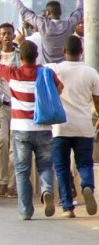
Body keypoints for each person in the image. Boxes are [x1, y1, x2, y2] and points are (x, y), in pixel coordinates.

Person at [0, 32, 58, 220]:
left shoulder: (13, 73)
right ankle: (46, 190)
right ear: (36, 56)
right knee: (44, 165)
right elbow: (59, 89)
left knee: (21, 170)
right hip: (43, 128)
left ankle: (26, 211)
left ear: (21, 57)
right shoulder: (46, 73)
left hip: (21, 129)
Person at [44, 36, 98, 218]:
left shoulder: (54, 69)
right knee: (84, 163)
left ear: (64, 52)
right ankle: (88, 186)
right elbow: (97, 101)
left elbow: (40, 74)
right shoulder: (91, 73)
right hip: (83, 126)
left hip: (60, 127)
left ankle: (67, 207)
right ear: (81, 51)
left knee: (61, 167)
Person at [5, 0, 83, 63]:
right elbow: (80, 9)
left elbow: (24, 12)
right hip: (64, 68)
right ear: (60, 12)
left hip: (47, 69)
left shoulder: (43, 24)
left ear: (48, 13)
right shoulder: (69, 24)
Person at [0, 23, 19, 198]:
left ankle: (12, 184)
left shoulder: (21, 57)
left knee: (15, 146)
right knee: (1, 141)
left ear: (13, 36)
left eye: (9, 33)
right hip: (0, 106)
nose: (6, 36)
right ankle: (2, 181)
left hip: (17, 105)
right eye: (3, 34)